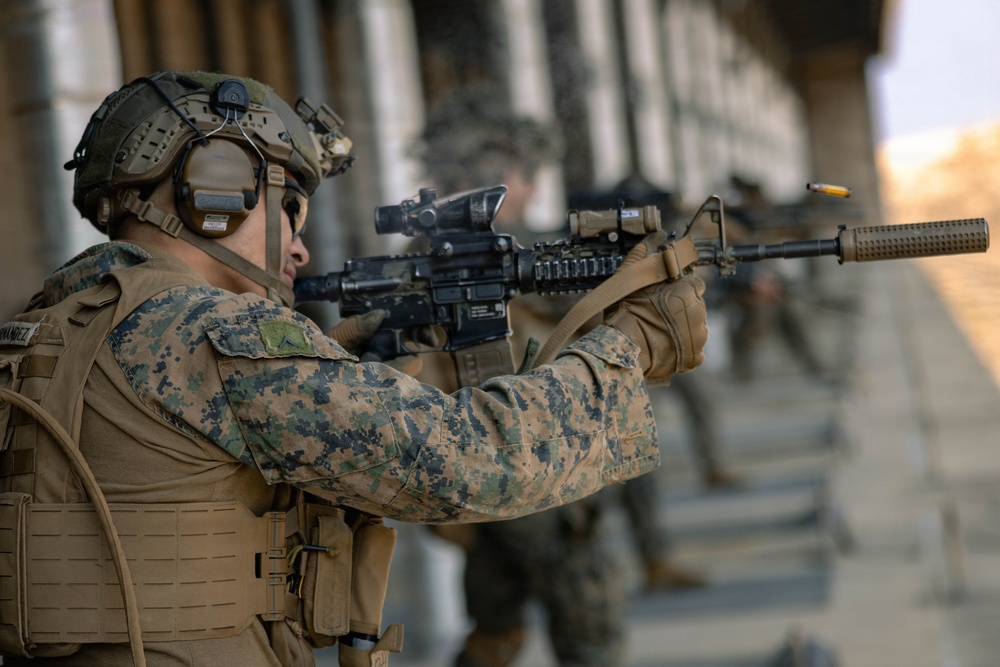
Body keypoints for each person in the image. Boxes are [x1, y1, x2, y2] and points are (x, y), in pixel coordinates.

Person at [0, 71, 707, 667]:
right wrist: (631, 343)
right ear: (217, 192)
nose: (300, 250)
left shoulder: (41, 330)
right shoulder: (216, 333)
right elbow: (474, 460)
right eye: (290, 209)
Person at [411, 90, 705, 667]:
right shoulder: (454, 268)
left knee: (495, 633)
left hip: (488, 485)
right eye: (524, 177)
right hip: (528, 481)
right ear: (492, 180)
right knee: (591, 629)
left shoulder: (469, 256)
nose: (533, 192)